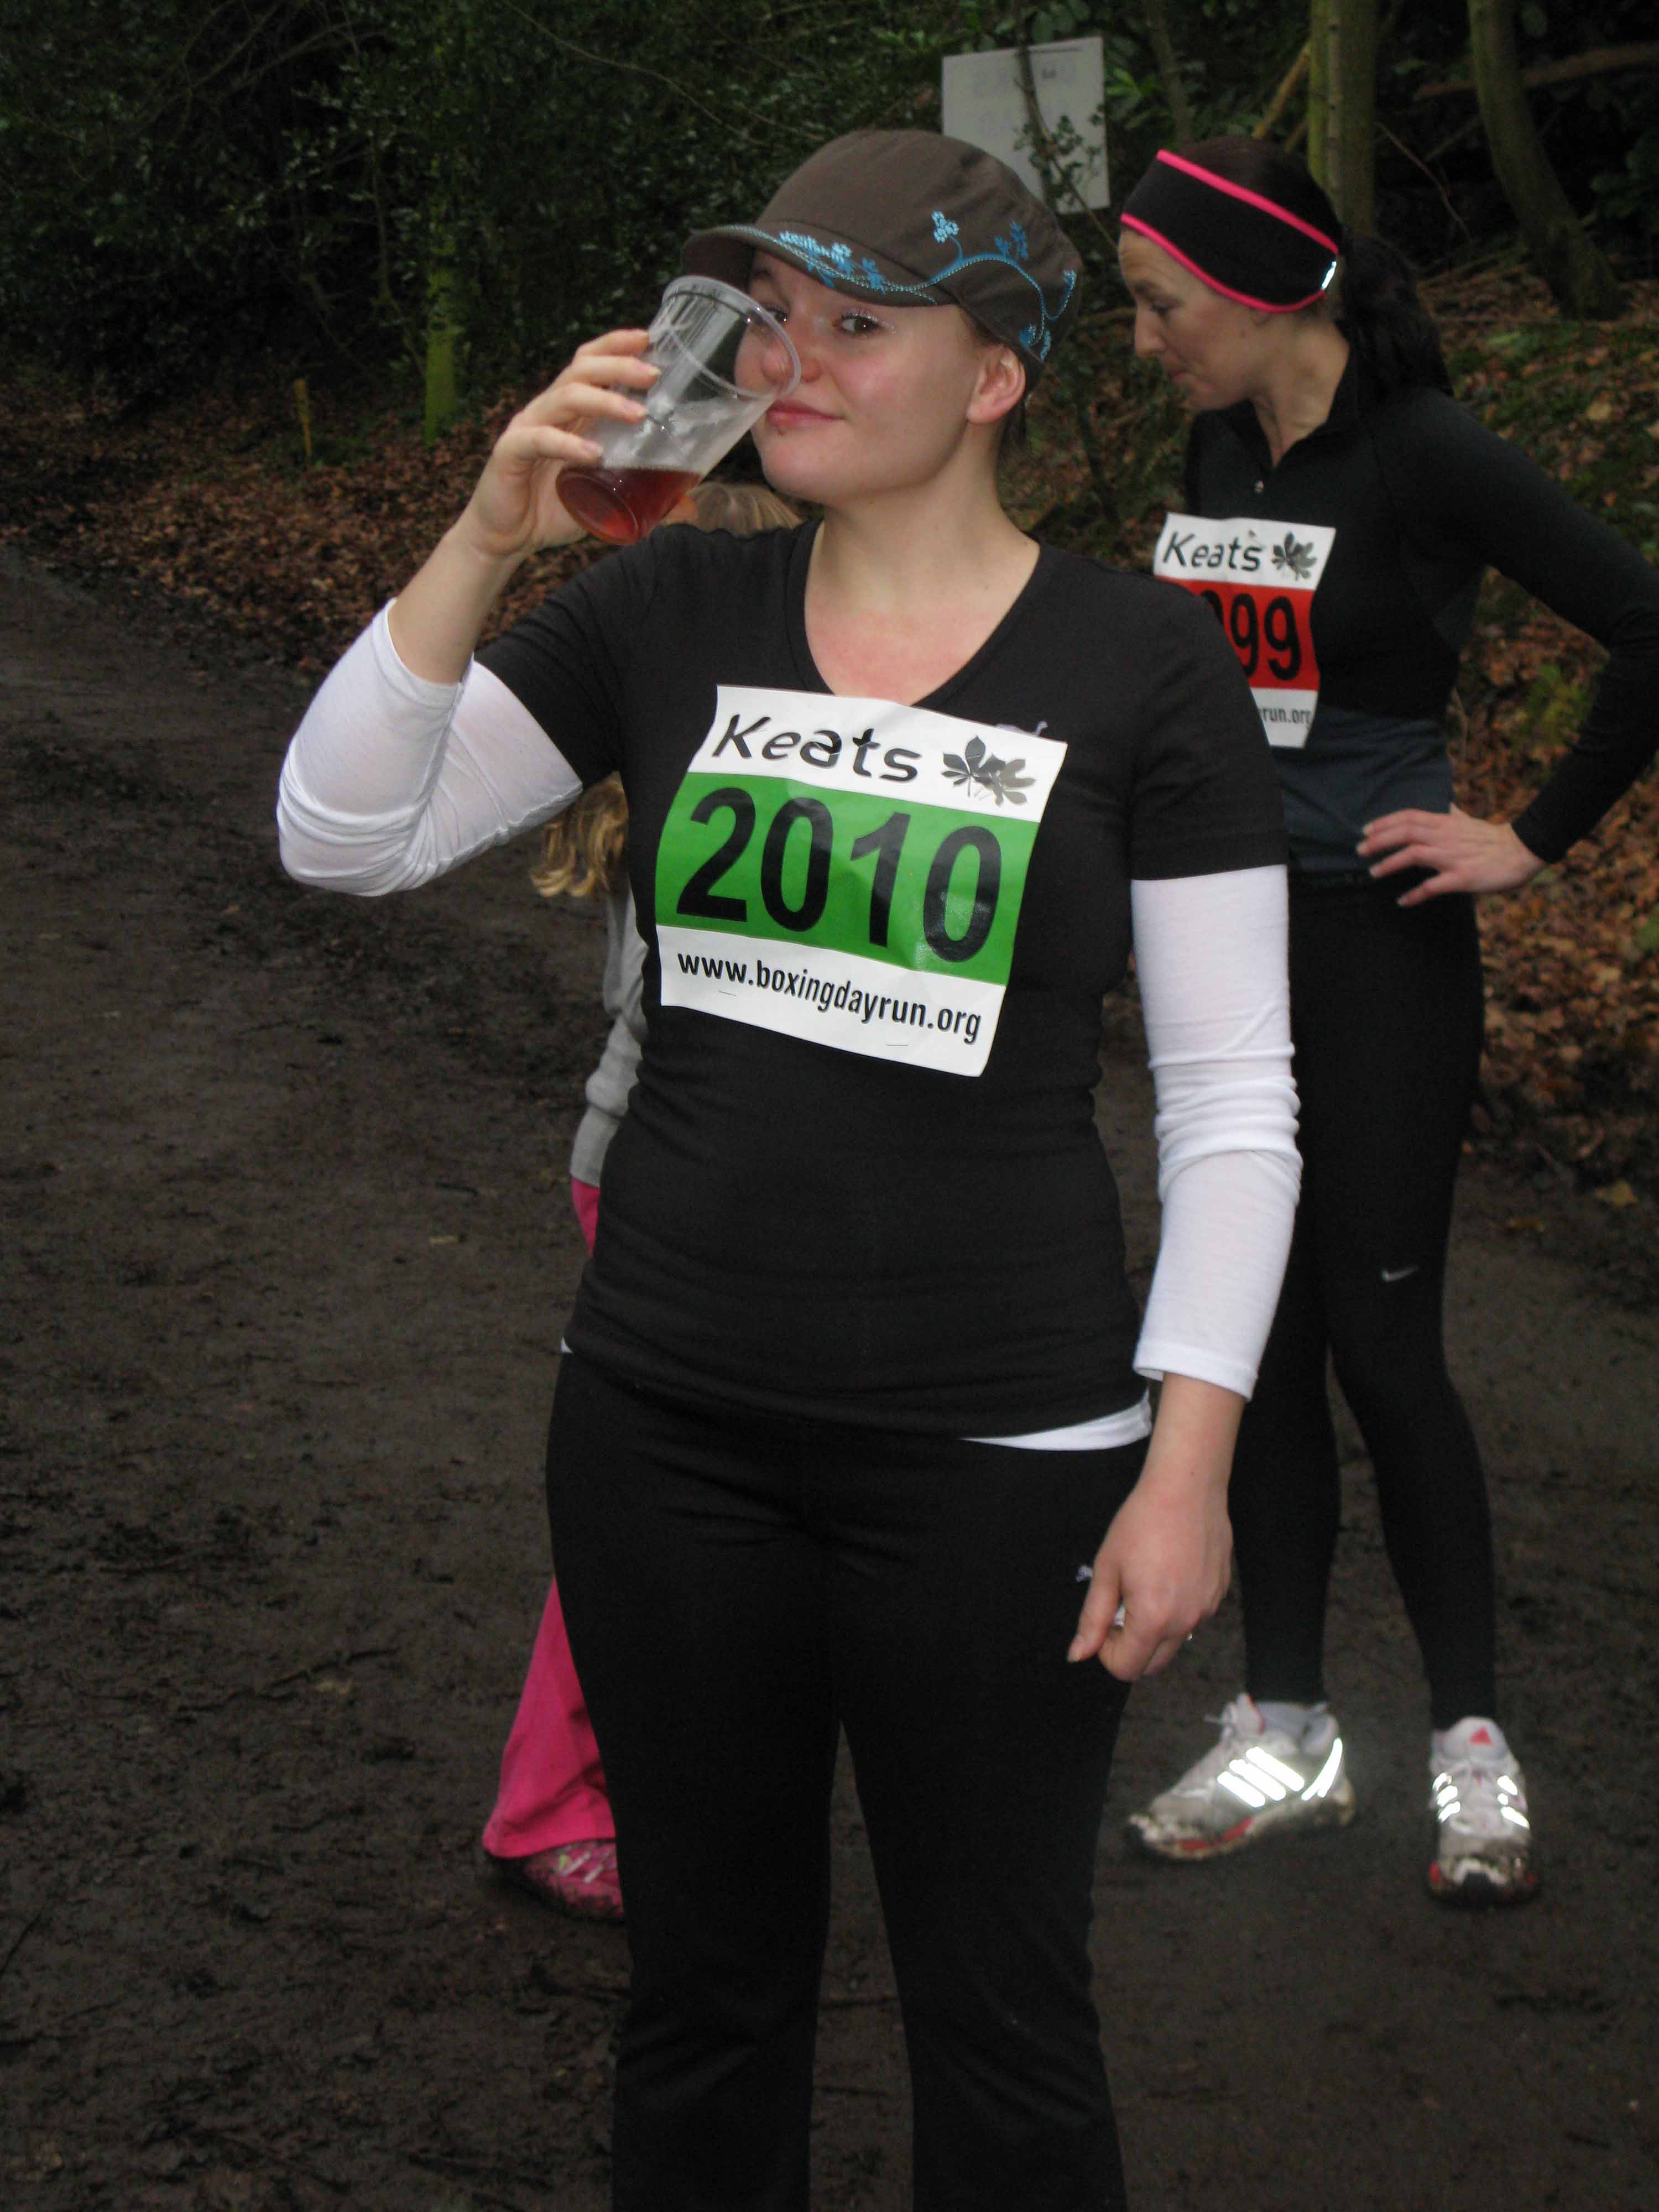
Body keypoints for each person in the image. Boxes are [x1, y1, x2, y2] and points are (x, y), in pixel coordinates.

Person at [278, 128, 1301, 2212]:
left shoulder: (1138, 666)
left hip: (1002, 1454)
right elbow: (341, 836)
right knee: (706, 2000)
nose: (792, 361)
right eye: (770, 317)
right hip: (665, 1426)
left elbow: (1234, 1106)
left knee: (1003, 2026)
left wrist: (1184, 1472)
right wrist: (485, 535)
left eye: (857, 321)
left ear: (995, 375)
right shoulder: (677, 600)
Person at [1117, 138, 1659, 1907]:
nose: (1143, 341)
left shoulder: (1425, 456)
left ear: (1265, 293)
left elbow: (1646, 618)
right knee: (1246, 1336)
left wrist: (1535, 835)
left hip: (1378, 948)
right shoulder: (1216, 445)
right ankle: (1287, 1724)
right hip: (1218, 942)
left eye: (1161, 305)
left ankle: (1472, 1751)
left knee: (1382, 1339)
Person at [480, 481, 797, 1923]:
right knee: (647, 1523)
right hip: (654, 1167)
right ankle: (548, 1802)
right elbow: (651, 994)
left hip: (718, 1175)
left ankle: (648, 1776)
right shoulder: (696, 730)